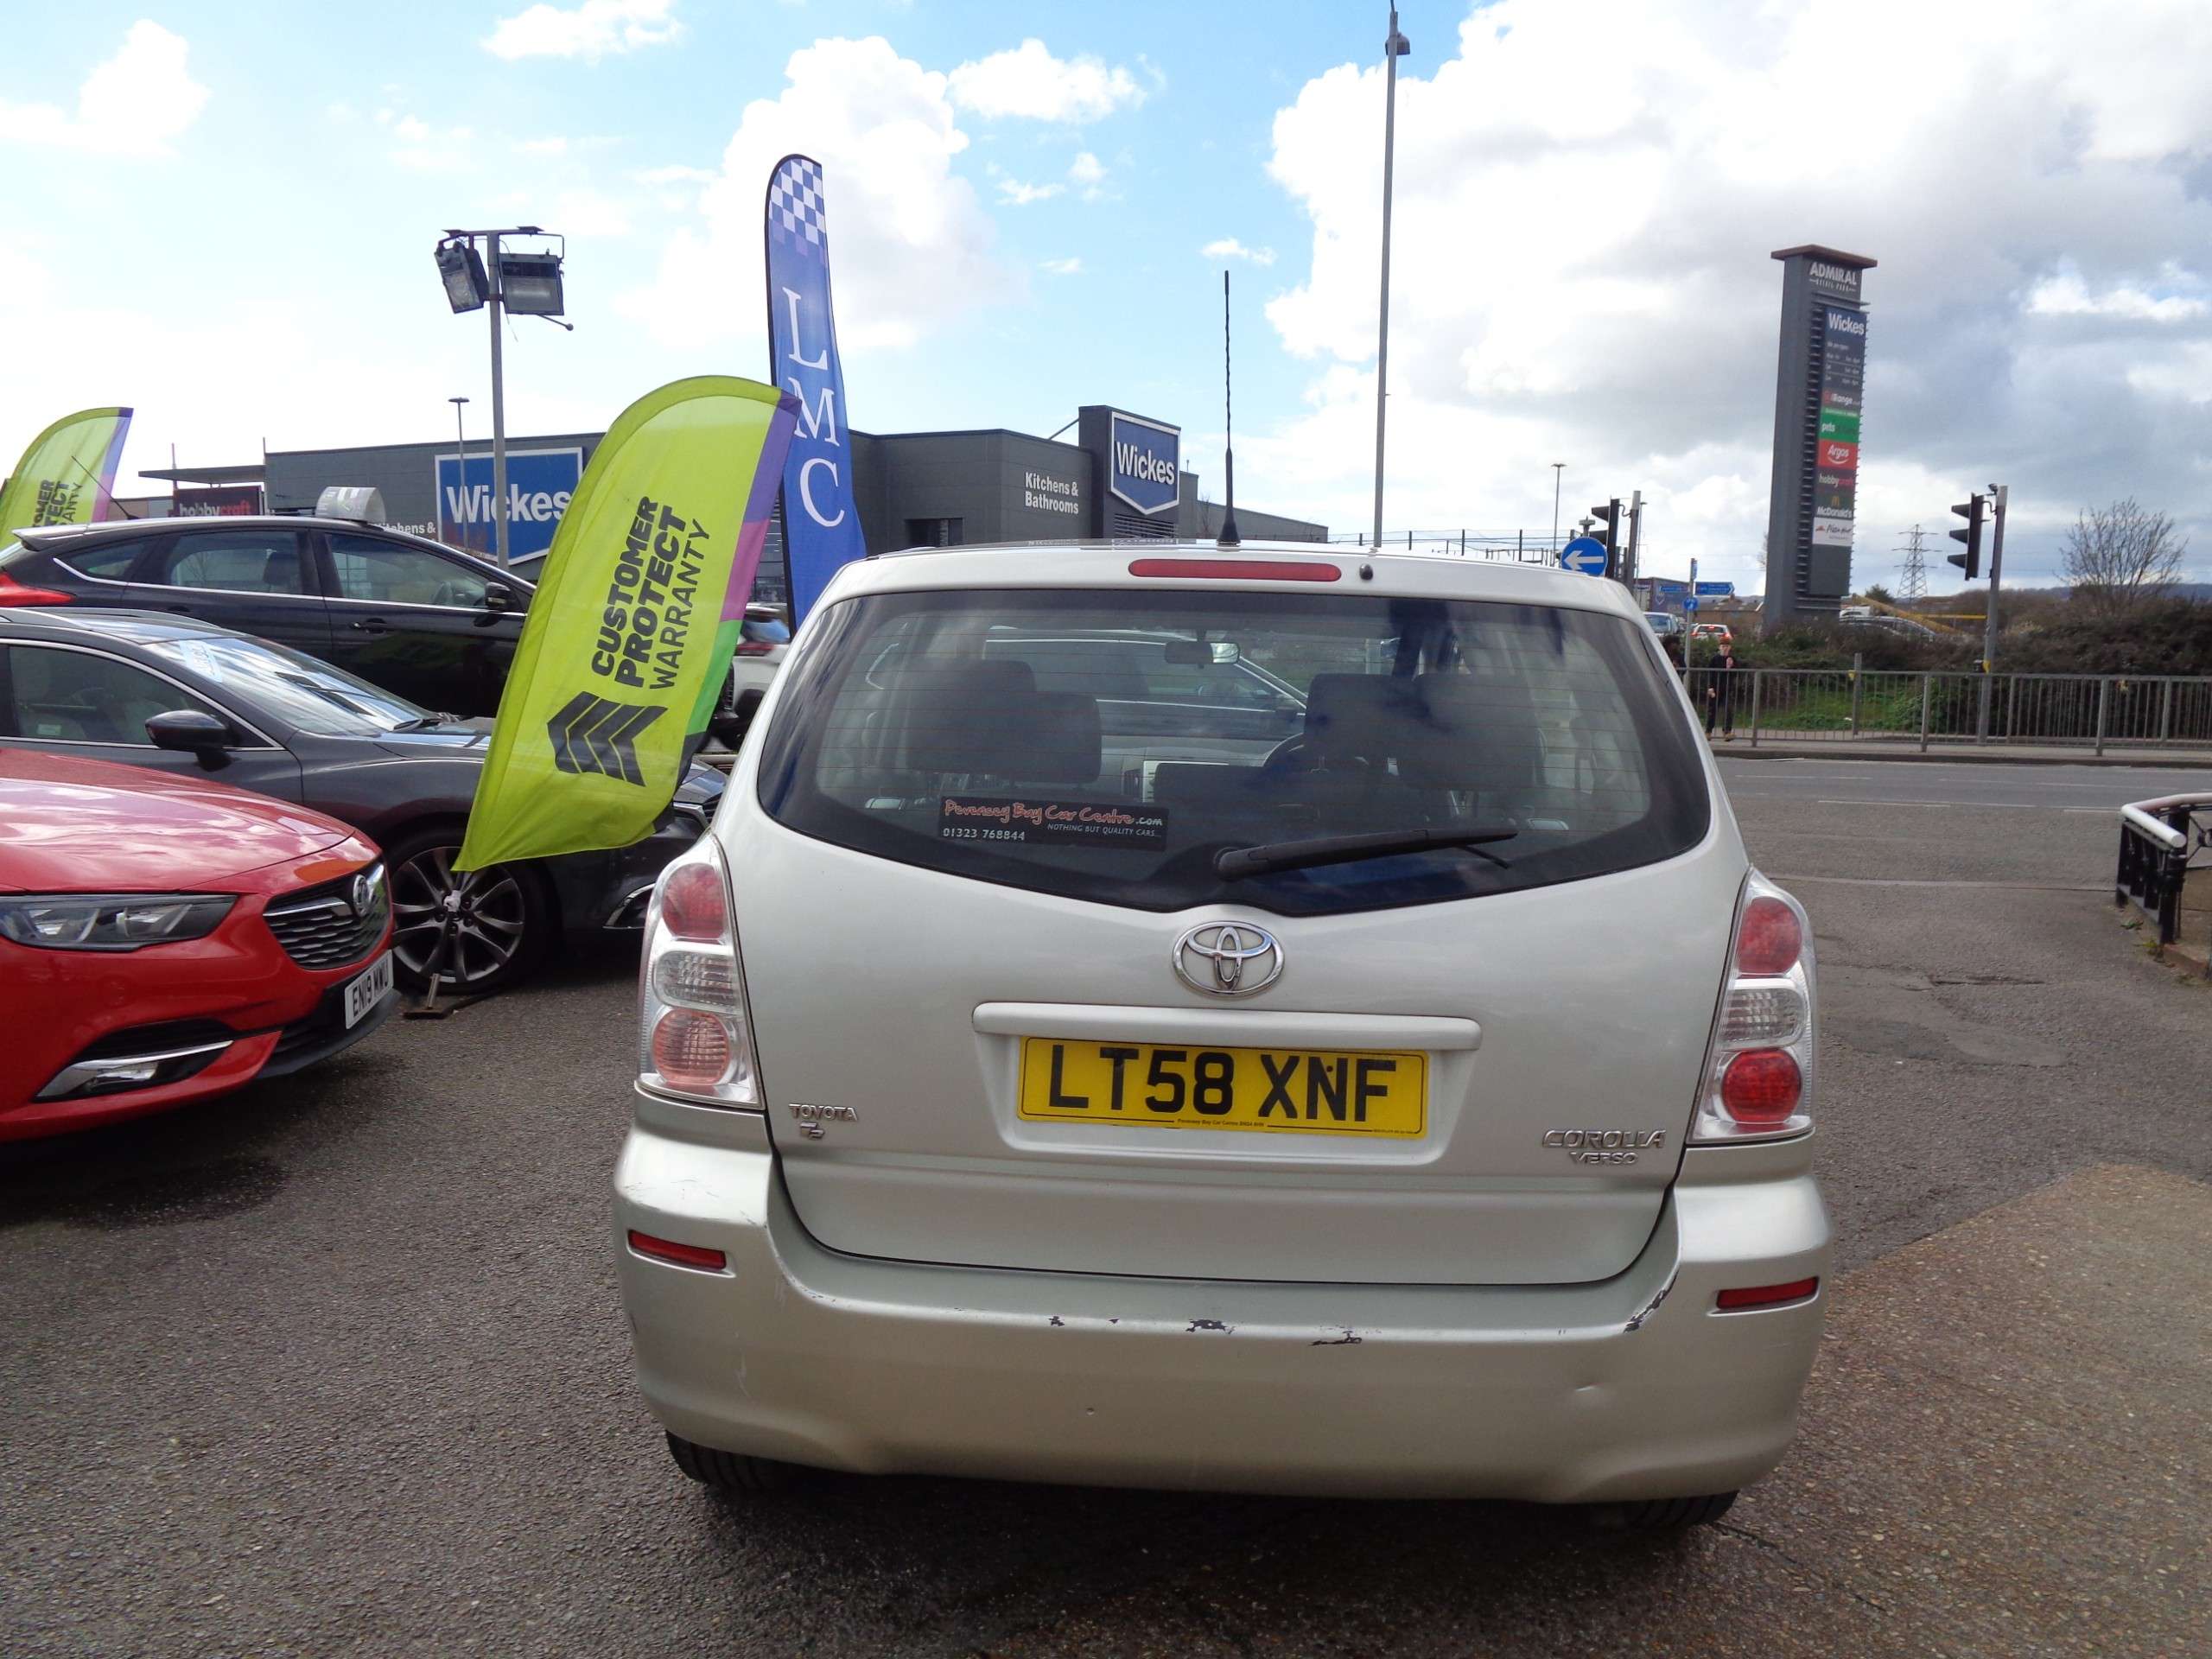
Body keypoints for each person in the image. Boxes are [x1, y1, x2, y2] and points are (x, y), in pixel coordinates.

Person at [1701, 644, 1740, 740]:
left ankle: (1727, 732)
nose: (1725, 648)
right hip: (1715, 688)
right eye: (1723, 646)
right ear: (1719, 647)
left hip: (1727, 688)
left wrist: (1730, 667)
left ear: (1730, 647)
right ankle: (1708, 732)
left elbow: (1736, 673)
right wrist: (1710, 687)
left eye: (1727, 646)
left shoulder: (1732, 659)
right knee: (1712, 710)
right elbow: (1710, 673)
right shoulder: (1715, 659)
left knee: (1728, 709)